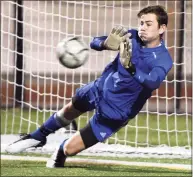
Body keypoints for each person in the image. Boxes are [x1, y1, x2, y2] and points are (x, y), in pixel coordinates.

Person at [6, 5, 173, 168]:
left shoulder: (163, 59)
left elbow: (153, 82)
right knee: (72, 107)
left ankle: (60, 152)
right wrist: (106, 44)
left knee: (69, 149)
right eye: (141, 23)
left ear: (161, 28)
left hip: (116, 111)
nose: (143, 28)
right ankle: (38, 136)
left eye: (148, 24)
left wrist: (130, 68)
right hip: (99, 88)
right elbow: (94, 42)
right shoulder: (131, 36)